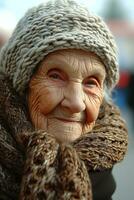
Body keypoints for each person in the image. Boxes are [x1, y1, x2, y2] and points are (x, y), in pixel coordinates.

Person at [0, 0, 128, 199]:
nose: (76, 103)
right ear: (19, 88)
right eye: (55, 76)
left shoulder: (103, 183)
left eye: (91, 83)